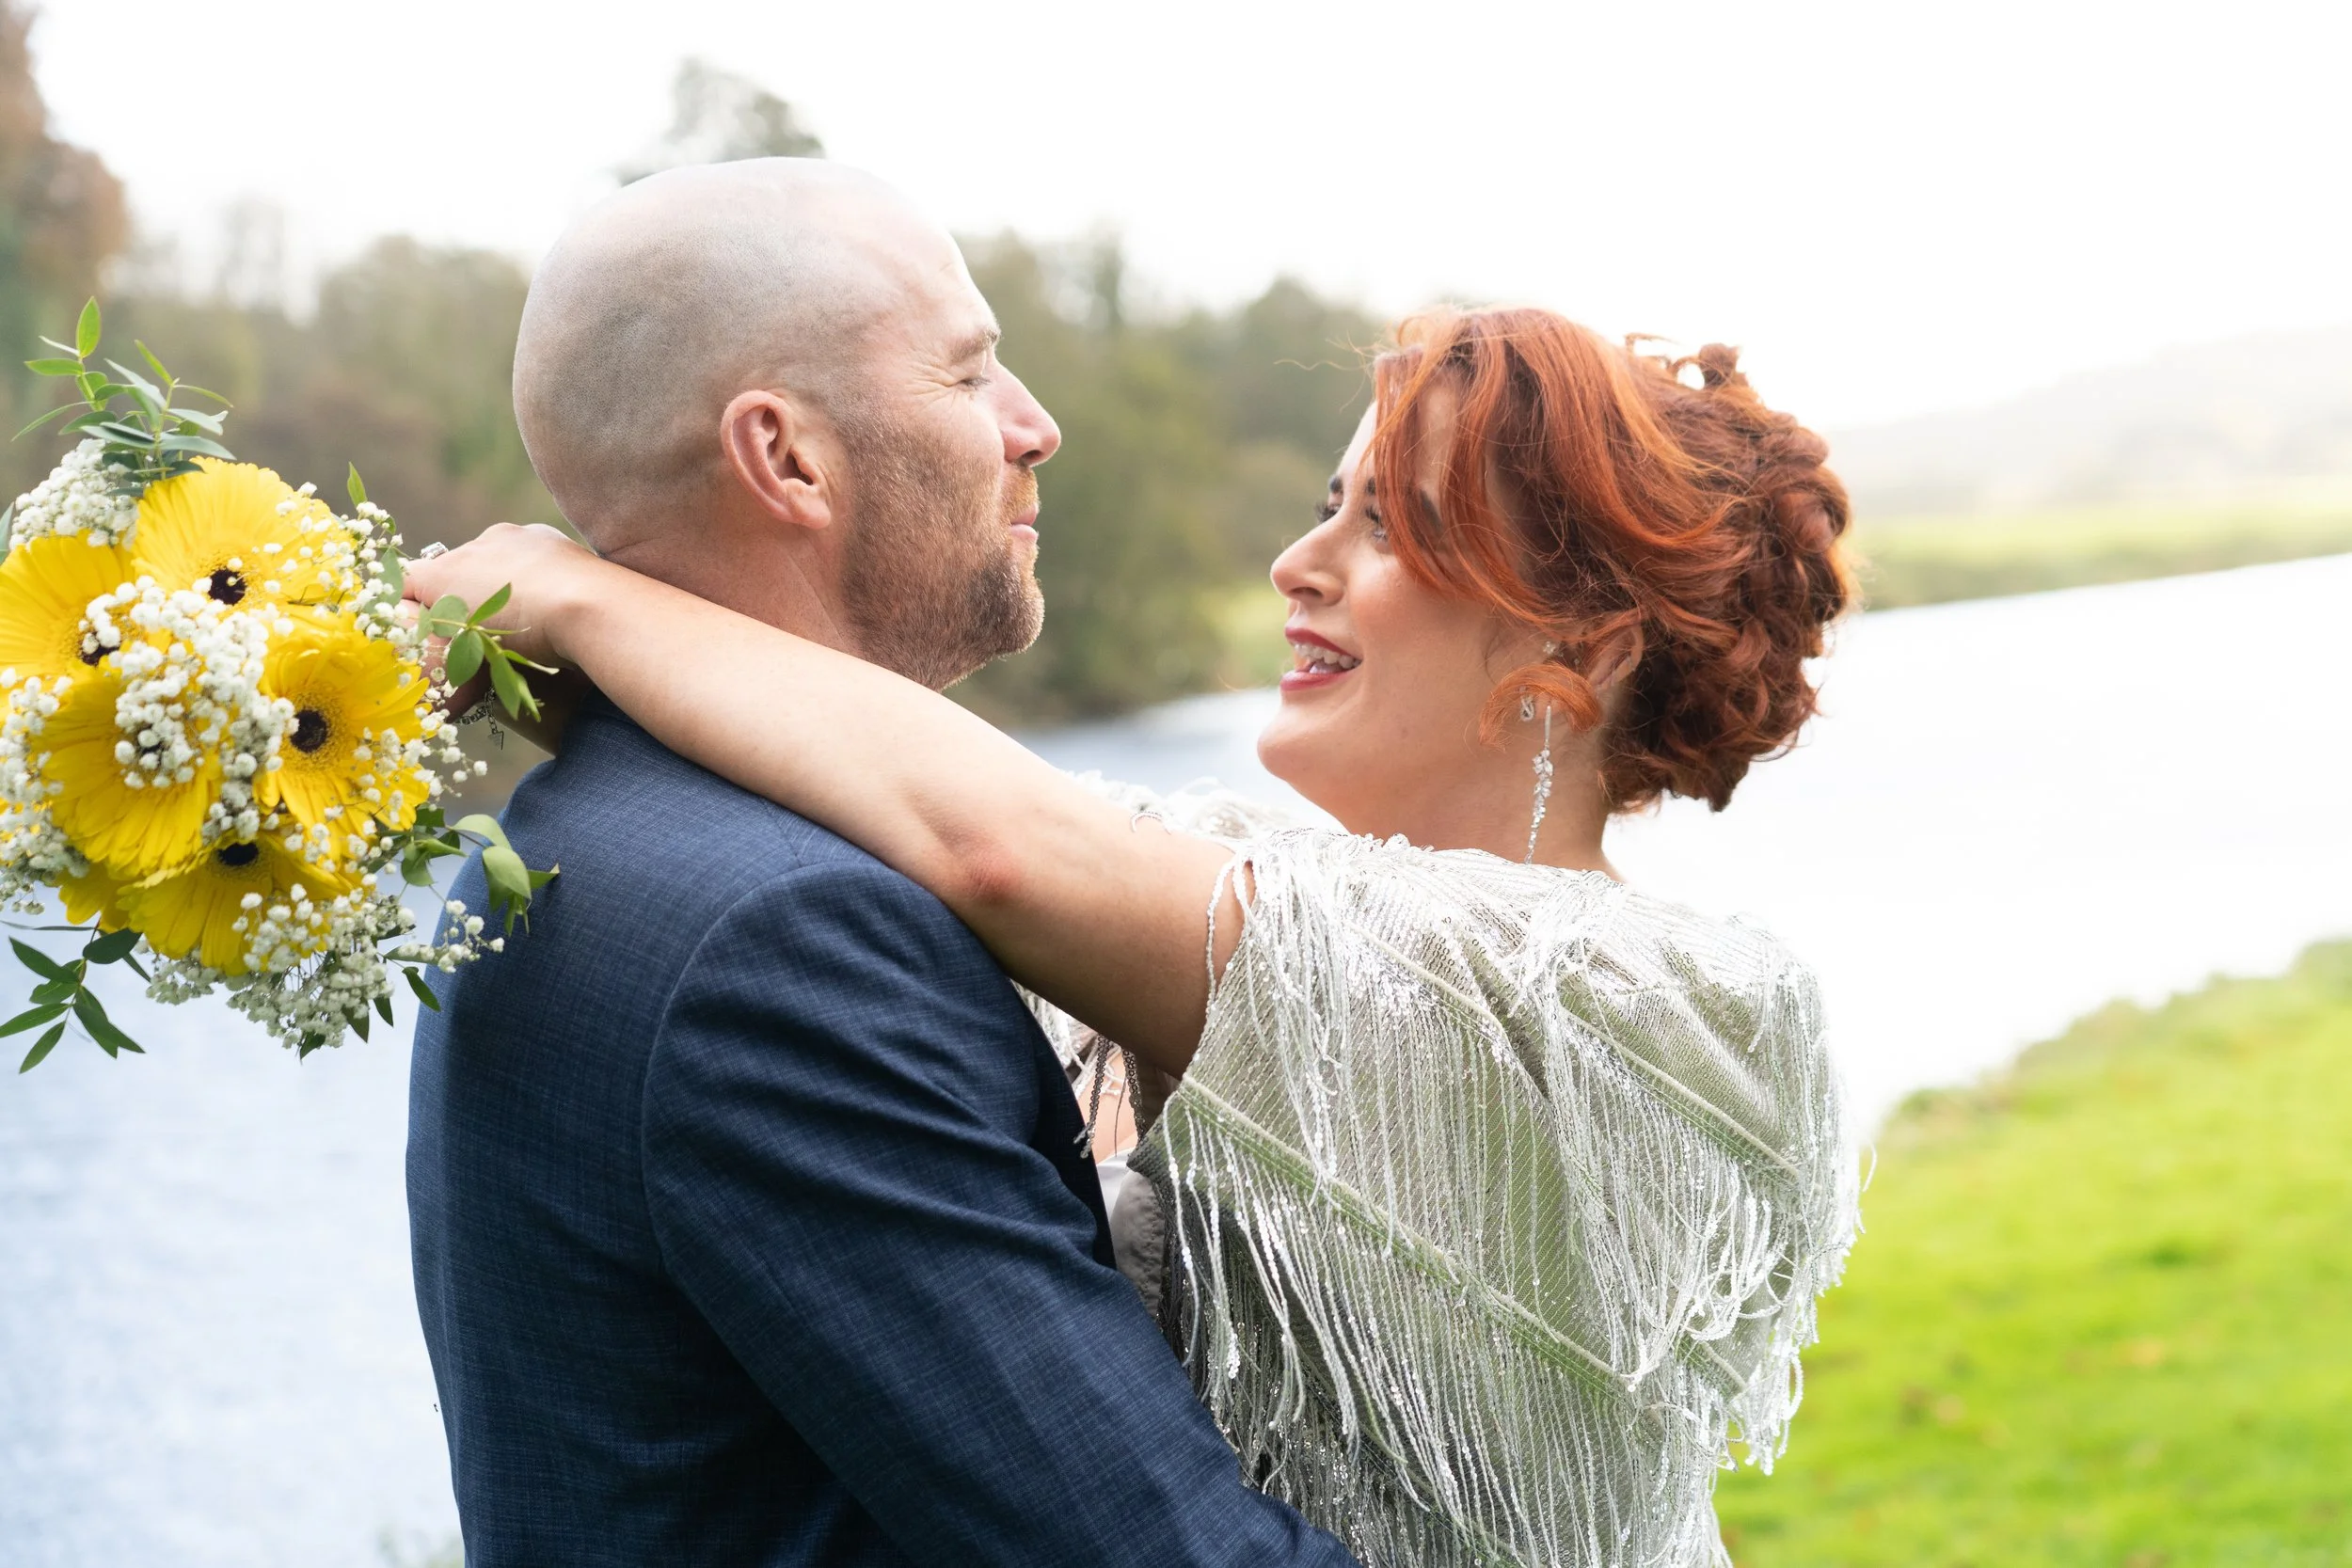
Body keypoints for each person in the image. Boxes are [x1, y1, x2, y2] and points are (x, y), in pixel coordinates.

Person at [411, 281, 1864, 1565]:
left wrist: (585, 601)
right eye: (1326, 504)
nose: (1302, 564)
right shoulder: (1221, 879)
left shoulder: (1676, 1009)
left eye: (1390, 527)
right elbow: (888, 786)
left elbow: (989, 845)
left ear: (1582, 647)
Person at [403, 158, 1359, 1568]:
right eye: (971, 373)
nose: (1037, 424)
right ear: (785, 455)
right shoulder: (781, 934)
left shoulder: (581, 827)